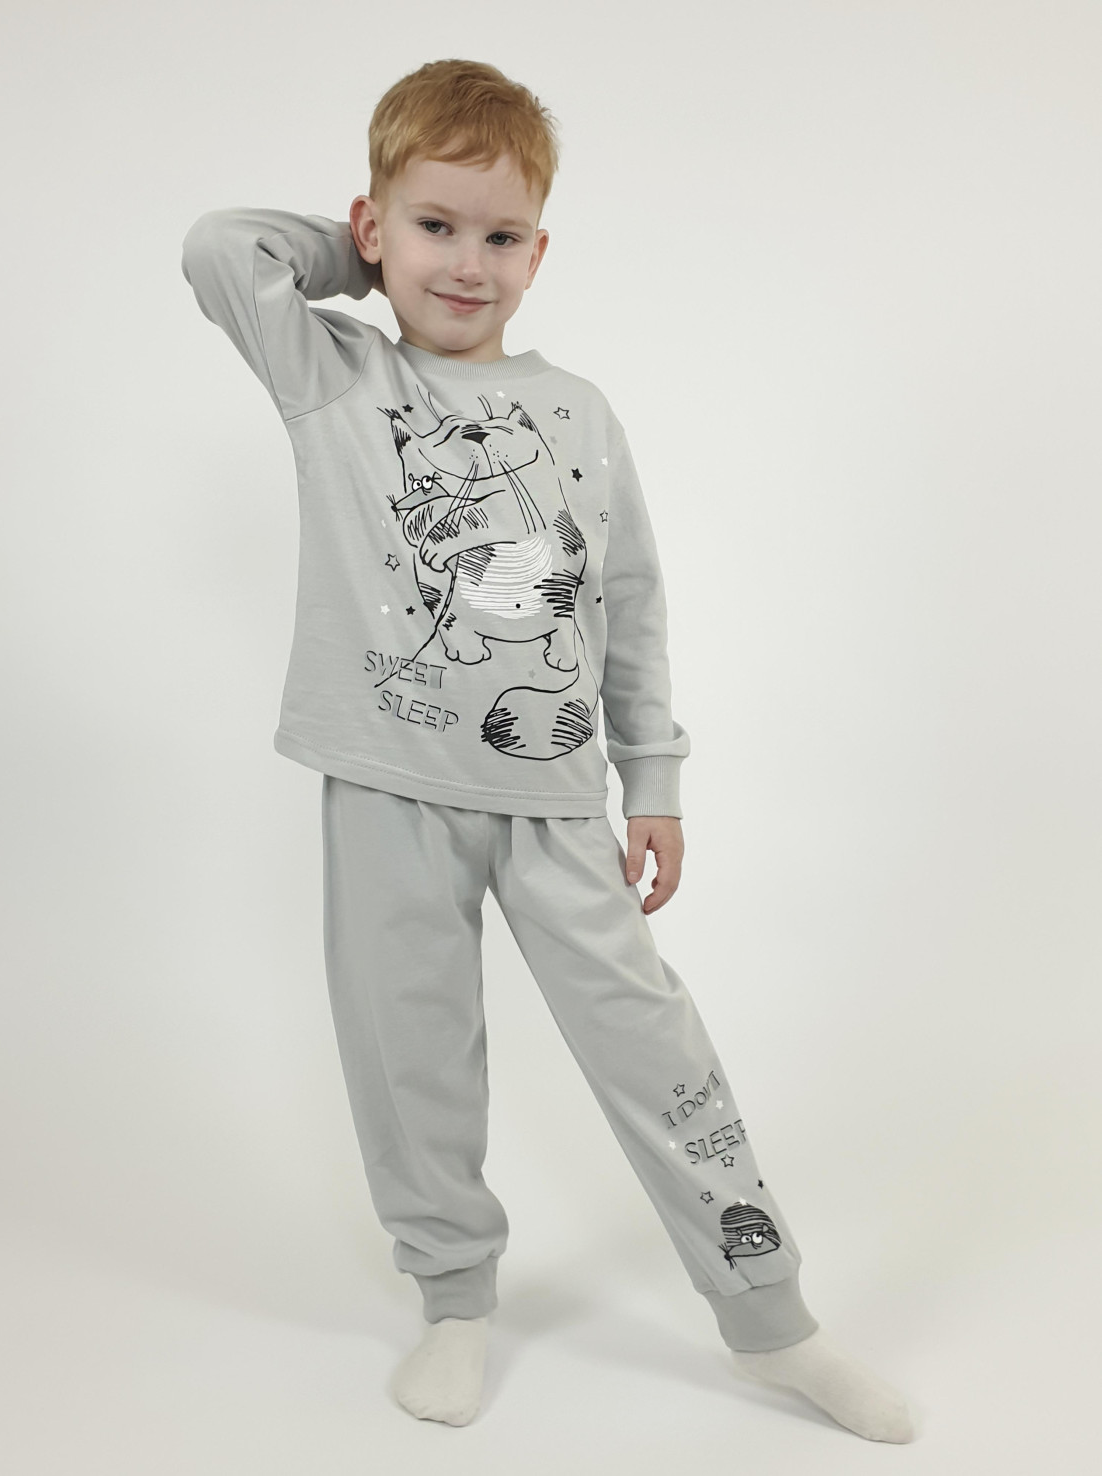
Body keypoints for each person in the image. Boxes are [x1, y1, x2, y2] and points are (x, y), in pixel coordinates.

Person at [180, 57, 914, 1442]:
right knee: (413, 1055)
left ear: (539, 251)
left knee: (651, 1045)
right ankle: (455, 1300)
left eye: (500, 235)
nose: (468, 264)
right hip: (387, 787)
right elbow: (221, 248)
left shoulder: (576, 410)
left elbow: (628, 601)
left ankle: (771, 1318)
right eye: (435, 227)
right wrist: (362, 255)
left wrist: (656, 778)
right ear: (375, 226)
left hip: (556, 798)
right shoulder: (333, 376)